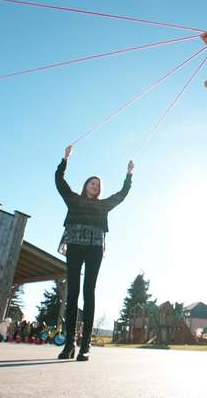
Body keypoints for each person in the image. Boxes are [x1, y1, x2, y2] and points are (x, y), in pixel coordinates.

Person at [55, 145, 133, 361]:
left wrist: (129, 175)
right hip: (75, 245)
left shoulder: (103, 206)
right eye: (92, 183)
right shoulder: (74, 199)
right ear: (86, 185)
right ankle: (69, 344)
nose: (95, 186)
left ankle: (85, 345)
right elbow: (60, 182)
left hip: (95, 248)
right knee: (73, 293)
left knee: (89, 292)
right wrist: (65, 160)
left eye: (98, 185)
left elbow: (122, 195)